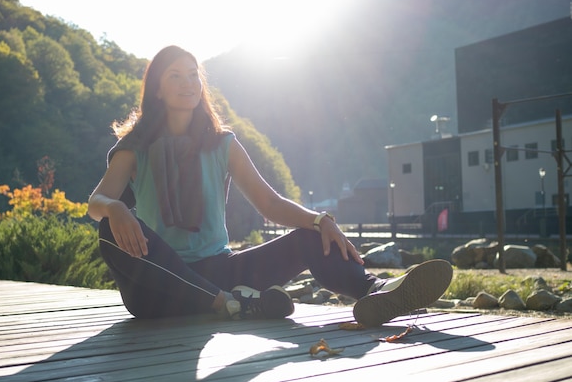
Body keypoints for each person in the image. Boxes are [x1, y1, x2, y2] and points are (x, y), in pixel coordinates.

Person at [88, 45, 453, 326]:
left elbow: (270, 204)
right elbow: (97, 201)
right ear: (157, 91)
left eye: (193, 75)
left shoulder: (221, 143)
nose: (188, 83)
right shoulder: (136, 146)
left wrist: (319, 219)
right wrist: (118, 207)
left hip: (222, 272)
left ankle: (376, 291)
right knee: (108, 228)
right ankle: (231, 303)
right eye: (175, 76)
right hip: (160, 287)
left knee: (311, 232)